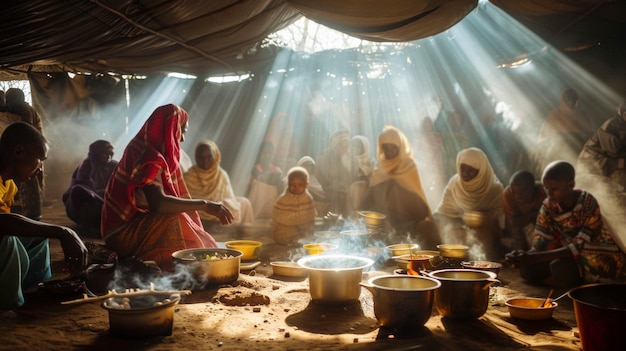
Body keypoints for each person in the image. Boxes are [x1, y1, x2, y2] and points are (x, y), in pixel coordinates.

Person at [101, 104, 234, 271]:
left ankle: (187, 257)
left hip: (117, 229)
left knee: (180, 218)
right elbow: (159, 204)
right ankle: (175, 265)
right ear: (169, 129)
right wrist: (205, 205)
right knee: (173, 218)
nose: (183, 139)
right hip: (121, 235)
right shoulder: (150, 157)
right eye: (182, 131)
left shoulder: (141, 147)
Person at [1, 122, 87, 310]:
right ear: (18, 152)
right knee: (7, 239)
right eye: (39, 159)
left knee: (38, 235)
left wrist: (55, 232)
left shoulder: (9, 184)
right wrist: (63, 232)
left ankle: (33, 290)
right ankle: (9, 303)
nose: (40, 168)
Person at [506, 161, 626, 288]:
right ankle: (569, 283)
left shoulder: (587, 203)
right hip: (567, 255)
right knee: (527, 269)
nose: (549, 193)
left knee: (559, 267)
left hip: (595, 260)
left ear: (571, 184)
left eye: (554, 189)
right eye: (546, 188)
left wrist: (531, 258)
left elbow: (578, 247)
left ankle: (588, 286)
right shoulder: (548, 206)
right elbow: (541, 241)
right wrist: (523, 257)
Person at [361, 125, 438, 249]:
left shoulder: (409, 166)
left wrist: (394, 186)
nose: (389, 152)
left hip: (409, 218)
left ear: (401, 148)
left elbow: (419, 204)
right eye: (385, 148)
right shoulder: (379, 169)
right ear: (381, 148)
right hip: (384, 218)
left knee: (394, 186)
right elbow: (369, 197)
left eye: (394, 148)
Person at [434, 147, 505, 260]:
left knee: (482, 234)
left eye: (471, 170)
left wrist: (484, 217)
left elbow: (500, 219)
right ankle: (454, 260)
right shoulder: (454, 183)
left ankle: (481, 259)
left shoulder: (495, 189)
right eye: (462, 168)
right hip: (457, 228)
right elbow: (442, 213)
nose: (465, 173)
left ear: (480, 171)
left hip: (482, 231)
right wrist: (454, 223)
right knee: (430, 227)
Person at [184, 140, 254, 225]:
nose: (205, 161)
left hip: (218, 208)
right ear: (196, 157)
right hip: (199, 210)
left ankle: (243, 231)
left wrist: (222, 203)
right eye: (201, 157)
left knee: (244, 202)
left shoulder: (221, 174)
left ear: (215, 156)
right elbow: (185, 201)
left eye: (209, 157)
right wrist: (206, 206)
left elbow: (230, 197)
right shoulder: (188, 176)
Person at [62, 140, 117, 236]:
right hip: (90, 202)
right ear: (96, 153)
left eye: (110, 153)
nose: (108, 156)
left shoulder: (114, 165)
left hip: (107, 201)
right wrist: (106, 194)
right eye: (105, 153)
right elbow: (85, 187)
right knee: (78, 190)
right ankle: (91, 224)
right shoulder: (88, 164)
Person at [5, 88, 44, 221]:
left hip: (28, 153)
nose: (8, 102)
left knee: (29, 181)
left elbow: (24, 131)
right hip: (26, 152)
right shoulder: (16, 110)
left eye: (11, 99)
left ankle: (32, 215)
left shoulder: (25, 111)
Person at [537, 88, 594, 170]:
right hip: (556, 159)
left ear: (577, 103)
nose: (570, 106)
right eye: (567, 103)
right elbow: (542, 140)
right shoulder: (554, 115)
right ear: (561, 102)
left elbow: (591, 139)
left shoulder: (582, 116)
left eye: (573, 102)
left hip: (579, 158)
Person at [577, 101, 626, 190]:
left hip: (604, 161)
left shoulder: (622, 126)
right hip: (590, 163)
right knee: (622, 164)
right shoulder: (612, 126)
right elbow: (613, 153)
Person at [315, 129, 359, 217]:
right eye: (341, 146)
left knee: (344, 197)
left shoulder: (353, 161)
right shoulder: (321, 161)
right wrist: (331, 189)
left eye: (346, 146)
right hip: (325, 192)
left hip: (345, 194)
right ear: (333, 147)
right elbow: (320, 181)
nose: (345, 149)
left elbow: (353, 180)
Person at [270, 166, 317, 245]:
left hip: (303, 231)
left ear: (306, 185)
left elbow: (310, 215)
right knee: (285, 233)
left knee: (308, 234)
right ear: (288, 184)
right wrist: (291, 223)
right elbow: (276, 216)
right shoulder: (284, 199)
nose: (296, 187)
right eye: (293, 184)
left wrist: (305, 226)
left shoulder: (308, 198)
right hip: (285, 231)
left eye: (300, 185)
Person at [502, 171, 546, 251]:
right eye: (514, 193)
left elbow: (549, 218)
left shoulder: (543, 191)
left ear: (532, 188)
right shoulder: (508, 194)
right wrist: (532, 215)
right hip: (519, 230)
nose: (517, 197)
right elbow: (514, 223)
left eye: (522, 192)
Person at [247, 141, 283, 219]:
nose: (267, 156)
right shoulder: (254, 170)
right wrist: (273, 178)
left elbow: (280, 188)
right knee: (258, 183)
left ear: (272, 155)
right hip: (256, 203)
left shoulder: (276, 170)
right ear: (260, 154)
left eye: (269, 153)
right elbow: (249, 188)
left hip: (271, 203)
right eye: (264, 153)